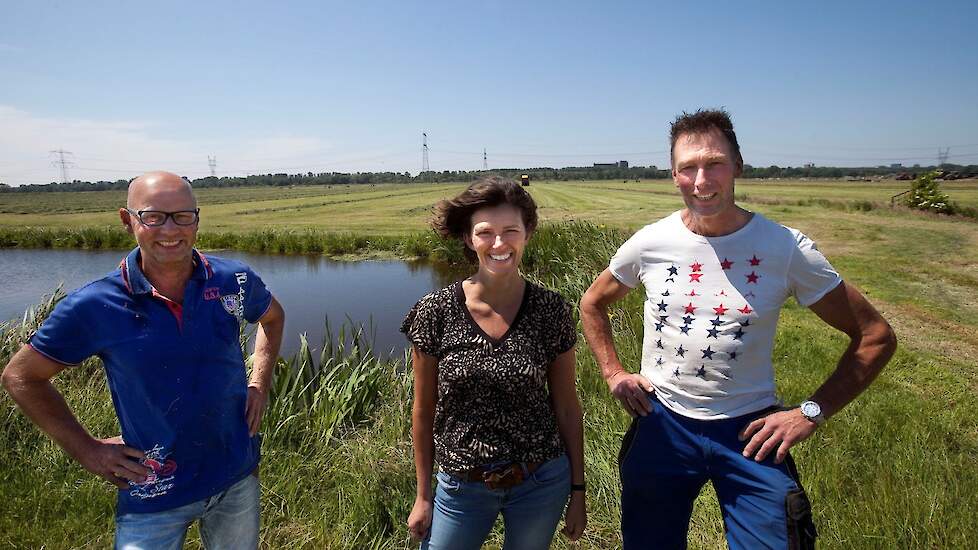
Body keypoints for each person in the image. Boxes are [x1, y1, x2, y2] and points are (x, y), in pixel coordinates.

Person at [579, 109, 897, 550]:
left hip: (751, 434)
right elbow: (593, 302)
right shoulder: (650, 242)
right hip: (661, 423)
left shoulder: (784, 249)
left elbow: (875, 336)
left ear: (738, 167)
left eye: (714, 164)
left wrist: (811, 412)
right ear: (673, 174)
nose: (701, 180)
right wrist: (614, 373)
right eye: (688, 167)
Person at [1, 171, 285, 549]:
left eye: (183, 216)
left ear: (197, 220)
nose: (170, 229)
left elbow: (272, 318)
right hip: (153, 491)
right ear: (127, 219)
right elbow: (21, 377)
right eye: (153, 216)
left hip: (236, 474)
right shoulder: (94, 305)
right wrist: (88, 450)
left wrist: (259, 384)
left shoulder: (235, 280)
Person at [401, 176, 586, 550]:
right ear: (469, 239)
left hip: (541, 480)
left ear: (527, 234)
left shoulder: (552, 310)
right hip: (461, 484)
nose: (499, 244)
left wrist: (578, 491)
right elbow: (423, 410)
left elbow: (567, 406)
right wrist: (423, 496)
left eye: (510, 231)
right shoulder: (435, 311)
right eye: (485, 232)